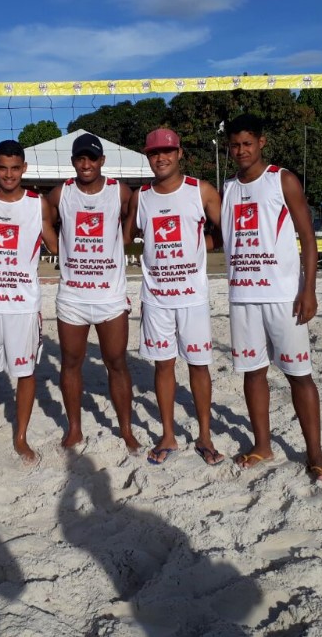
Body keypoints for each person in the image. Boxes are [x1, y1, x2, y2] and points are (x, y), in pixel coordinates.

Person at [220, 114, 322, 481]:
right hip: (243, 295)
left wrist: (309, 289)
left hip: (283, 296)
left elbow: (308, 237)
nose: (241, 150)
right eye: (235, 145)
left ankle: (315, 454)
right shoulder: (228, 187)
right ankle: (262, 445)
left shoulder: (281, 179)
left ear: (261, 143)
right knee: (253, 373)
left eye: (247, 143)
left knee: (299, 375)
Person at [123, 128, 225, 466]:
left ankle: (205, 436)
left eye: (167, 151)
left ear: (179, 153)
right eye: (154, 153)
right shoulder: (141, 197)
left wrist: (200, 247)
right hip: (156, 297)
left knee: (199, 365)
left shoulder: (201, 190)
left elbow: (226, 232)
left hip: (192, 297)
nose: (161, 158)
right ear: (148, 157)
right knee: (163, 365)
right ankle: (168, 435)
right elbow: (125, 237)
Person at [0, 140, 57, 464]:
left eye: (15, 168)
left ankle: (21, 438)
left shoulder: (37, 203)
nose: (8, 174)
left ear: (24, 169)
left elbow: (55, 245)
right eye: (2, 168)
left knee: (25, 373)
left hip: (23, 304)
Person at [47, 132, 139, 452]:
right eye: (80, 158)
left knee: (117, 362)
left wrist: (122, 241)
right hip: (73, 296)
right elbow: (42, 221)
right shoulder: (60, 193)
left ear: (102, 160)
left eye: (92, 158)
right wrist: (57, 248)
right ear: (73, 161)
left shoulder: (120, 191)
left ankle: (126, 429)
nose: (86, 164)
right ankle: (74, 429)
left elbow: (132, 225)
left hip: (110, 296)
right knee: (71, 362)